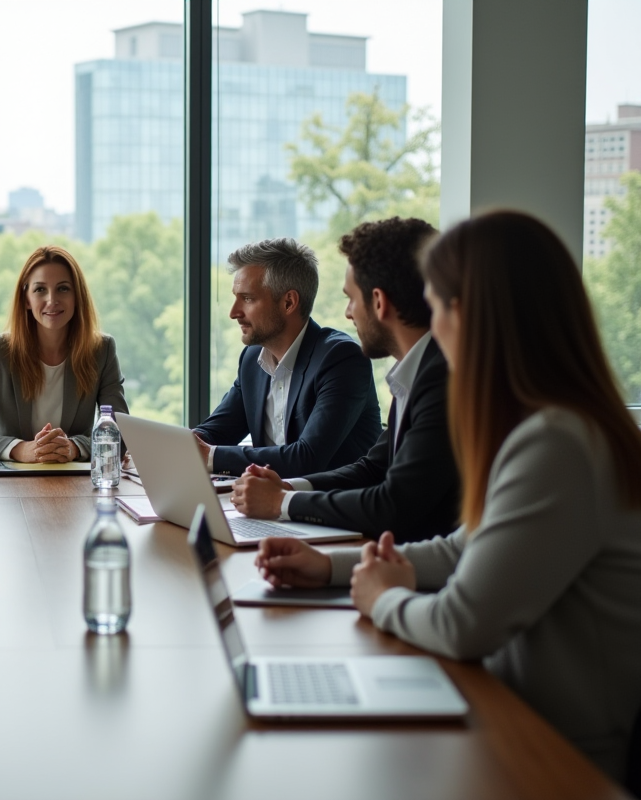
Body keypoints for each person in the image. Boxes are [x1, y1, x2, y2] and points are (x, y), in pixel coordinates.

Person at [253, 211, 641, 781]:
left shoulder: (559, 442)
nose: (433, 326)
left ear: (473, 314)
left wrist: (379, 597)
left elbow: (464, 624)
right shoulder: (547, 424)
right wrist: (333, 566)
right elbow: (469, 549)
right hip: (514, 714)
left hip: (555, 752)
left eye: (440, 305)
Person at [232, 217, 459, 542]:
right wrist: (288, 487)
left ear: (379, 303)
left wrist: (282, 502)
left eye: (351, 298)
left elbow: (392, 504)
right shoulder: (420, 372)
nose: (348, 313)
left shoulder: (441, 380)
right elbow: (371, 468)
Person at [192, 238, 381, 477]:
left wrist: (209, 456)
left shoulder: (341, 359)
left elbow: (307, 458)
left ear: (289, 302)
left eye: (247, 298)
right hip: (265, 507)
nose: (234, 313)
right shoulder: (252, 359)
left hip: (329, 509)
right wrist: (174, 446)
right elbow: (216, 431)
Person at [0, 245, 128, 462]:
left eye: (63, 289)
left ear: (77, 296)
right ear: (26, 299)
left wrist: (73, 448)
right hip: (10, 488)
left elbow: (121, 434)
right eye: (40, 290)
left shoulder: (102, 351)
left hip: (77, 486)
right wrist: (18, 449)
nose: (52, 300)